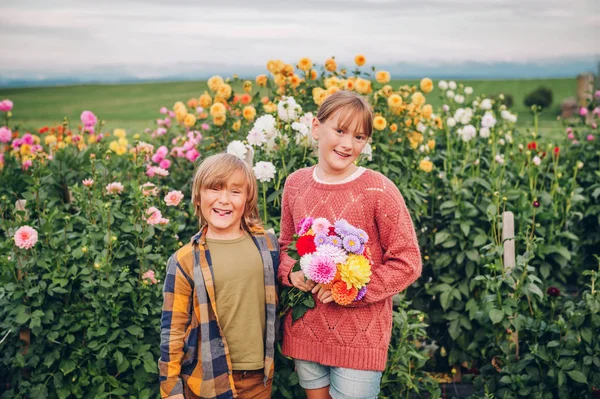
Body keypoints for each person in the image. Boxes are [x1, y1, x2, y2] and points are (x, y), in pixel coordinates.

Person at [278, 90, 422, 399]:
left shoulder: (377, 189)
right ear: (317, 128)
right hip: (306, 329)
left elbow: (407, 260)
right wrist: (292, 274)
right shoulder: (295, 184)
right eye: (340, 130)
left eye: (359, 136)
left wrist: (350, 291)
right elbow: (285, 246)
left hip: (360, 337)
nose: (347, 144)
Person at [159, 153, 279, 399]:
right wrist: (171, 388)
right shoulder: (184, 260)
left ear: (248, 199)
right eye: (214, 189)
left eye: (235, 192)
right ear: (199, 196)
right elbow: (173, 330)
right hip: (206, 379)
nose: (224, 200)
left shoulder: (267, 245)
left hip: (258, 378)